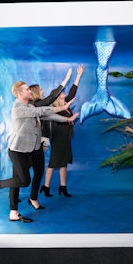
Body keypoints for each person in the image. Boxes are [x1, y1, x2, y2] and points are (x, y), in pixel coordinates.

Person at [0, 81, 79, 223]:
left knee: (37, 173)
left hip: (35, 148)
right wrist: (62, 107)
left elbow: (46, 116)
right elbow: (40, 111)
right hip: (19, 150)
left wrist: (68, 118)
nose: (30, 91)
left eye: (30, 89)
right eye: (26, 89)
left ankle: (21, 208)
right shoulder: (18, 108)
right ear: (19, 93)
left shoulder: (29, 106)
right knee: (22, 181)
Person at [40, 64, 84, 197]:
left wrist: (78, 75)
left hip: (66, 137)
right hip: (58, 137)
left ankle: (63, 187)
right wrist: (70, 119)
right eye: (61, 93)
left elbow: (73, 91)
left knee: (64, 162)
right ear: (58, 96)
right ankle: (46, 187)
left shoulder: (66, 104)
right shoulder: (54, 108)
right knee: (54, 162)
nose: (64, 93)